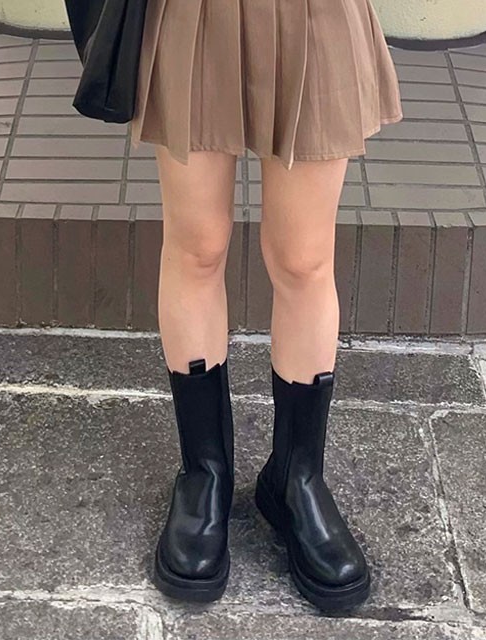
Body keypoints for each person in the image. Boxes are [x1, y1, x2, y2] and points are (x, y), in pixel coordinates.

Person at [129, 0, 403, 611]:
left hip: (315, 15)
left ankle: (295, 477)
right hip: (192, 13)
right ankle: (205, 472)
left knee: (304, 260)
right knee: (196, 246)